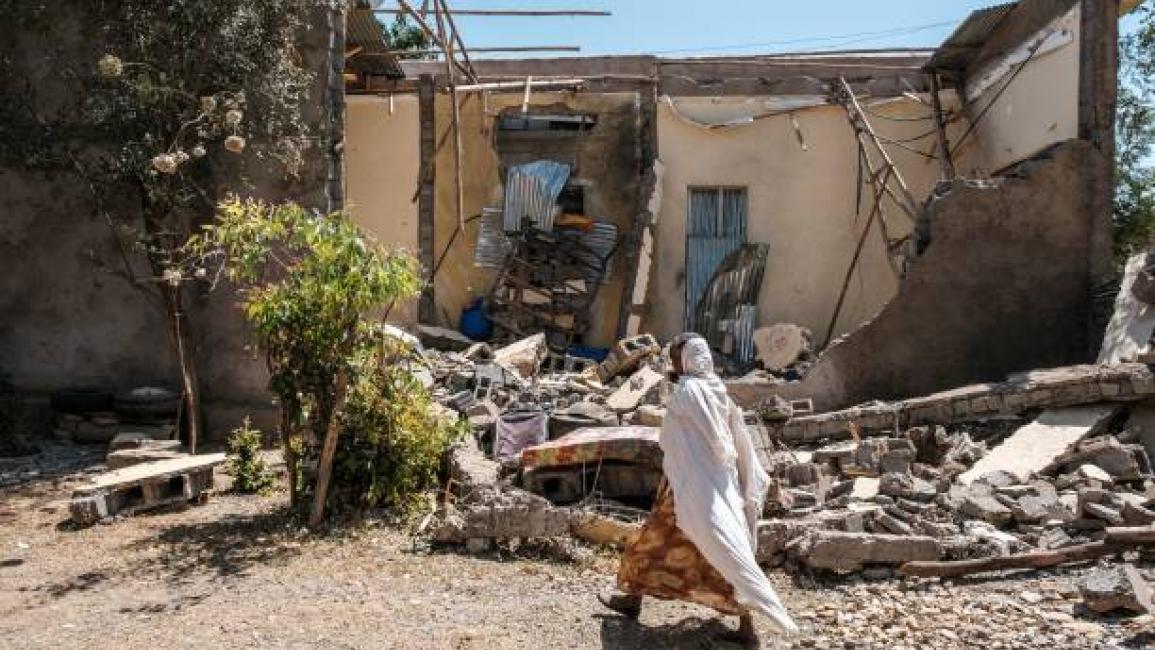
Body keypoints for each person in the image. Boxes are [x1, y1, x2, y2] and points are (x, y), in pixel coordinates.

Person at [599, 333, 797, 646]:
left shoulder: (687, 392)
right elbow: (732, 441)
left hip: (687, 489)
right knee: (725, 552)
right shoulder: (719, 389)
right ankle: (743, 626)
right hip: (715, 487)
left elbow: (673, 439)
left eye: (677, 358)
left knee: (651, 545)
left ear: (687, 360)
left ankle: (633, 600)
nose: (673, 364)